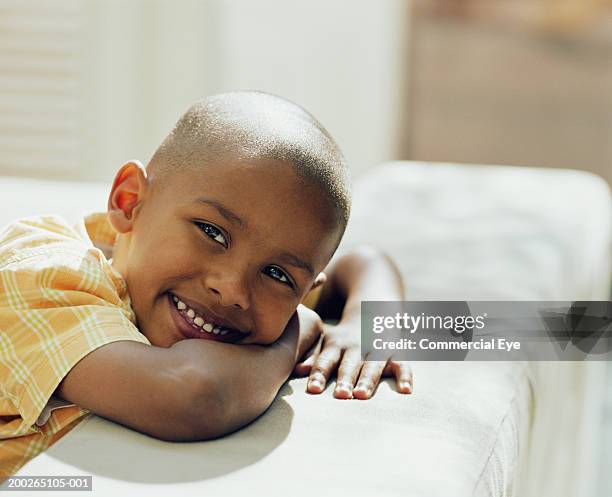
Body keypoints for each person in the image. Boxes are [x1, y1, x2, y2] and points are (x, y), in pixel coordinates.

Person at [0, 91, 412, 478]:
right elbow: (190, 394)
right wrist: (296, 331)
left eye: (277, 274)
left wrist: (371, 324)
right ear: (129, 202)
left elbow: (366, 261)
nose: (232, 289)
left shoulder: (212, 289)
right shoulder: (42, 276)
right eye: (212, 233)